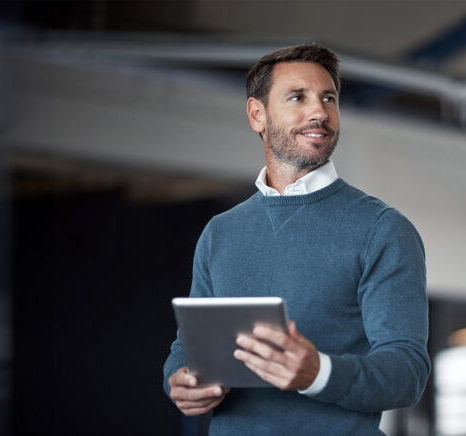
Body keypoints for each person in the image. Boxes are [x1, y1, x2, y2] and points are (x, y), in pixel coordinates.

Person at [163, 43, 430, 435]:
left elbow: (408, 372)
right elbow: (188, 345)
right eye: (297, 97)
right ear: (257, 114)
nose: (319, 111)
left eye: (329, 98)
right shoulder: (220, 233)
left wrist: (318, 373)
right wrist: (179, 381)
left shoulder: (382, 228)